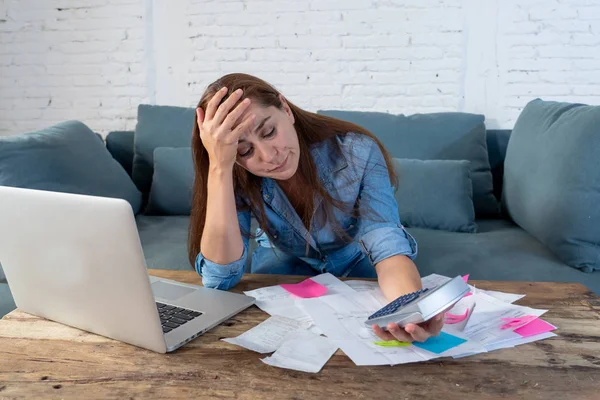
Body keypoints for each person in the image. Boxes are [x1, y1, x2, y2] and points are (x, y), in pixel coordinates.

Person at [188, 73, 444, 342]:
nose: (269, 156)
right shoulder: (232, 170)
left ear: (286, 109)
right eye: (244, 151)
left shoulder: (356, 151)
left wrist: (411, 311)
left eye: (269, 132)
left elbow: (385, 243)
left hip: (356, 260)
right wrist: (220, 166)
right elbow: (219, 278)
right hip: (286, 261)